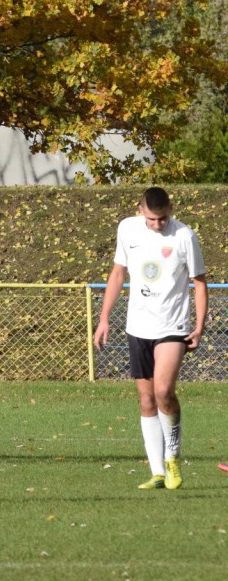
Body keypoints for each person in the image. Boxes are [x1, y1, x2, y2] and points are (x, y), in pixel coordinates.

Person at [93, 186, 206, 490]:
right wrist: (104, 318)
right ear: (140, 209)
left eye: (163, 218)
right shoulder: (127, 229)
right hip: (137, 327)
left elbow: (199, 282)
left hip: (173, 326)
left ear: (171, 208)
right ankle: (157, 472)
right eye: (152, 219)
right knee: (146, 400)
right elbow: (118, 273)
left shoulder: (184, 236)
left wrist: (199, 326)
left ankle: (173, 458)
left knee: (163, 391)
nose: (158, 224)